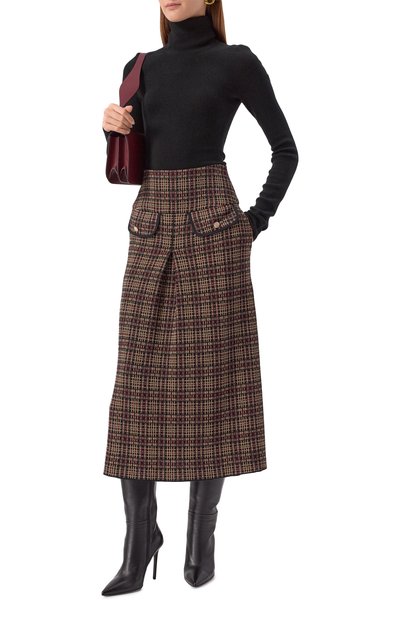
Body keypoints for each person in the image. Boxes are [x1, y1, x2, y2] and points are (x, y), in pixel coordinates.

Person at [101, 0, 298, 594]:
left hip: (214, 230)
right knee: (135, 389)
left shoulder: (236, 61)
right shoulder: (141, 65)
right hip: (151, 226)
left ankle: (200, 540)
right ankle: (139, 544)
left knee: (213, 383)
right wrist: (113, 129)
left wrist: (252, 223)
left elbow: (286, 150)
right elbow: (128, 166)